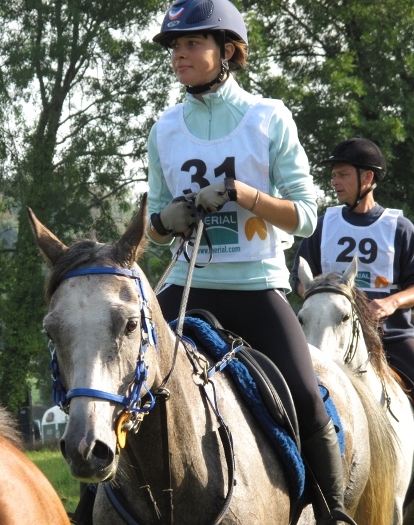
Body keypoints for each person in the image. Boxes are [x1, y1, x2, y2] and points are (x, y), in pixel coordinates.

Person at [145, 1, 355, 523]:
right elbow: (151, 228)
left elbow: (305, 216)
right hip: (185, 285)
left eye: (192, 43)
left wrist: (243, 194)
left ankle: (331, 512)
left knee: (306, 396)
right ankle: (88, 506)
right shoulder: (164, 129)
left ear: (227, 50)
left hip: (256, 287)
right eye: (175, 46)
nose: (179, 55)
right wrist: (167, 219)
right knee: (123, 374)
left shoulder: (269, 117)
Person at [292, 137, 414, 386]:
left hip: (390, 336)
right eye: (333, 175)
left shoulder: (400, 228)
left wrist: (391, 302)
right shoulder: (322, 226)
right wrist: (322, 300)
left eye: (342, 175)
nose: (334, 182)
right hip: (329, 336)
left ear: (367, 178)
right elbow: (298, 281)